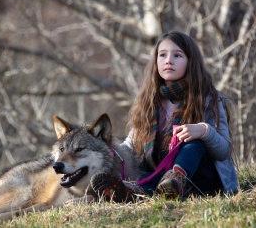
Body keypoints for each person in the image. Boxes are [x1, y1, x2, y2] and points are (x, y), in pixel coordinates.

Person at [90, 31, 238, 202]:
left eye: (177, 55)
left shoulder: (208, 98)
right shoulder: (148, 101)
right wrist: (108, 150)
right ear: (156, 62)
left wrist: (204, 131)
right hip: (159, 181)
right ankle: (132, 192)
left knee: (194, 141)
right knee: (149, 177)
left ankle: (174, 179)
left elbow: (224, 151)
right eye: (162, 55)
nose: (168, 60)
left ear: (191, 61)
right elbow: (129, 147)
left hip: (203, 183)